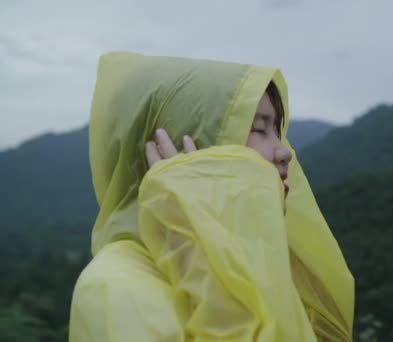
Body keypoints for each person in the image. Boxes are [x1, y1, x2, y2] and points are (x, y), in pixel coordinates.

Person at [69, 52, 354, 341]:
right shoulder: (116, 287)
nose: (284, 153)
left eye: (278, 132)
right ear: (186, 142)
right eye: (258, 129)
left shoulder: (251, 254)